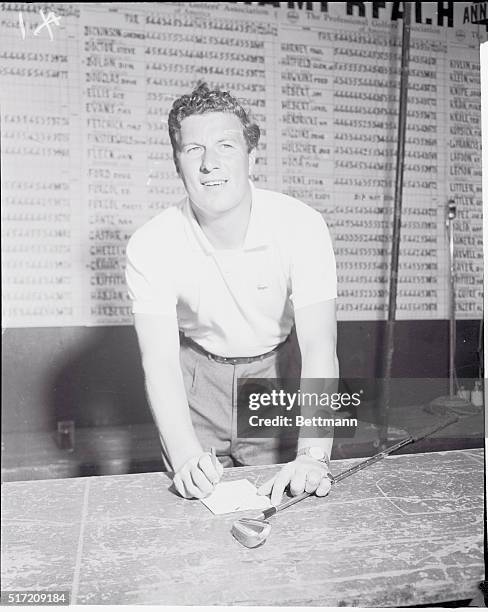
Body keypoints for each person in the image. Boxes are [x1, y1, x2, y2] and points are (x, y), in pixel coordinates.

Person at [125, 83, 339, 506]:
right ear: (176, 162)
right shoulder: (150, 243)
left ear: (251, 156)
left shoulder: (302, 225)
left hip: (276, 377)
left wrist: (314, 453)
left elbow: (319, 347)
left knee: (291, 503)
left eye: (226, 145)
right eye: (193, 150)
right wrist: (185, 455)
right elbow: (160, 361)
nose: (210, 164)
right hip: (197, 379)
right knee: (194, 507)